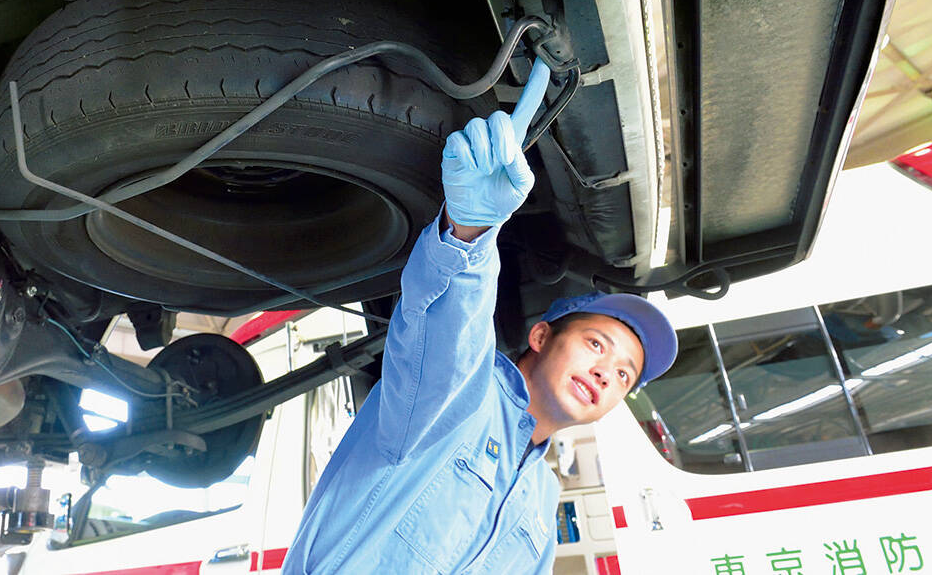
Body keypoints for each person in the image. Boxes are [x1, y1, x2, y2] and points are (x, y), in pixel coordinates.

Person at [283, 108, 677, 574]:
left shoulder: (541, 497)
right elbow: (452, 328)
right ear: (541, 335)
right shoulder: (465, 394)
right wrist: (471, 229)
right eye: (597, 345)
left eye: (623, 374)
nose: (604, 373)